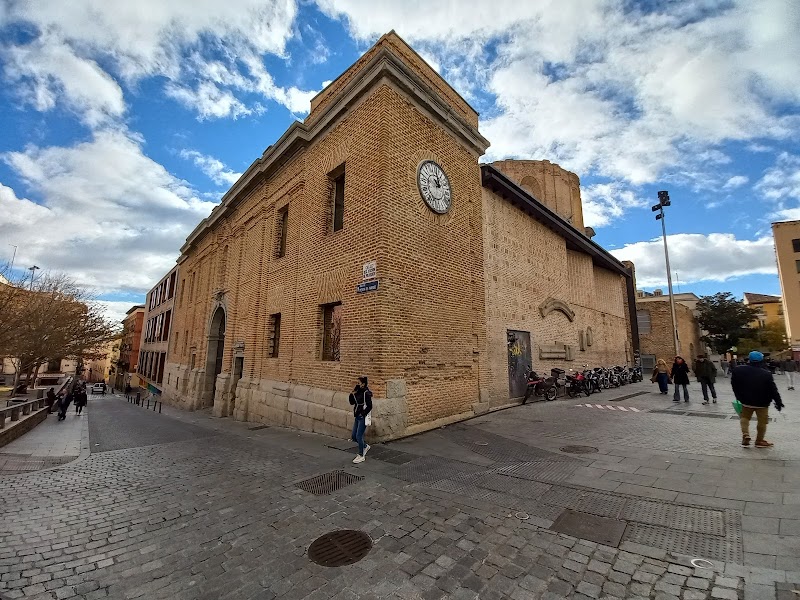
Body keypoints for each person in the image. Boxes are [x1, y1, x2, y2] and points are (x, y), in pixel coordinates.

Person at [732, 350, 783, 448]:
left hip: (746, 401)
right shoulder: (766, 374)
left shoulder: (738, 370)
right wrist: (778, 402)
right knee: (762, 421)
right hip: (762, 403)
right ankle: (759, 441)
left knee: (744, 417)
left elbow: (734, 385)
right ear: (761, 360)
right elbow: (773, 390)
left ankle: (745, 434)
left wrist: (739, 396)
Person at [348, 376, 373, 464]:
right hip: (357, 416)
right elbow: (352, 402)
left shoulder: (366, 393)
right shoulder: (358, 391)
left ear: (363, 383)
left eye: (359, 383)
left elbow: (370, 406)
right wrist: (351, 394)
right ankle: (365, 446)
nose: (357, 384)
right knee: (354, 436)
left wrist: (363, 414)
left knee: (359, 435)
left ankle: (361, 455)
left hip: (362, 417)